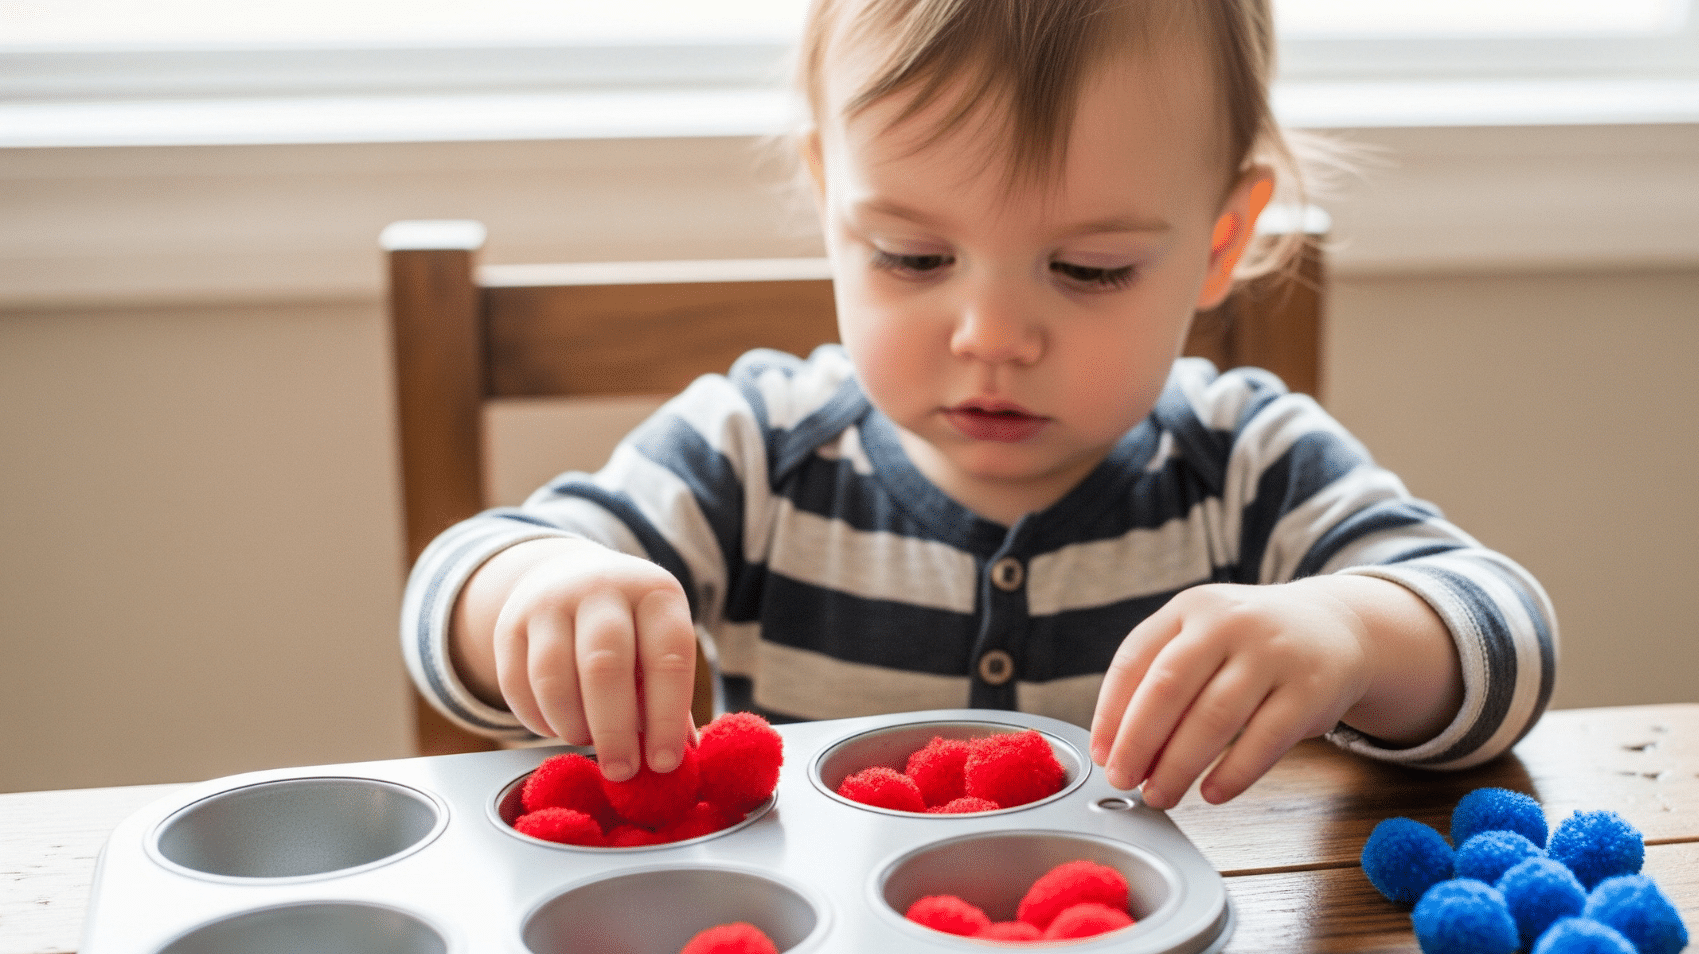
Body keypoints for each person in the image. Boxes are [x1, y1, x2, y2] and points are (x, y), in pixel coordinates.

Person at [401, 0, 1556, 811]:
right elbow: (453, 588)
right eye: (910, 255)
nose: (993, 336)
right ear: (829, 206)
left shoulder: (1244, 464)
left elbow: (1506, 632)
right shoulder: (754, 451)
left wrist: (1350, 634)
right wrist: (538, 593)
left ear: (1220, 246)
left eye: (1092, 268)